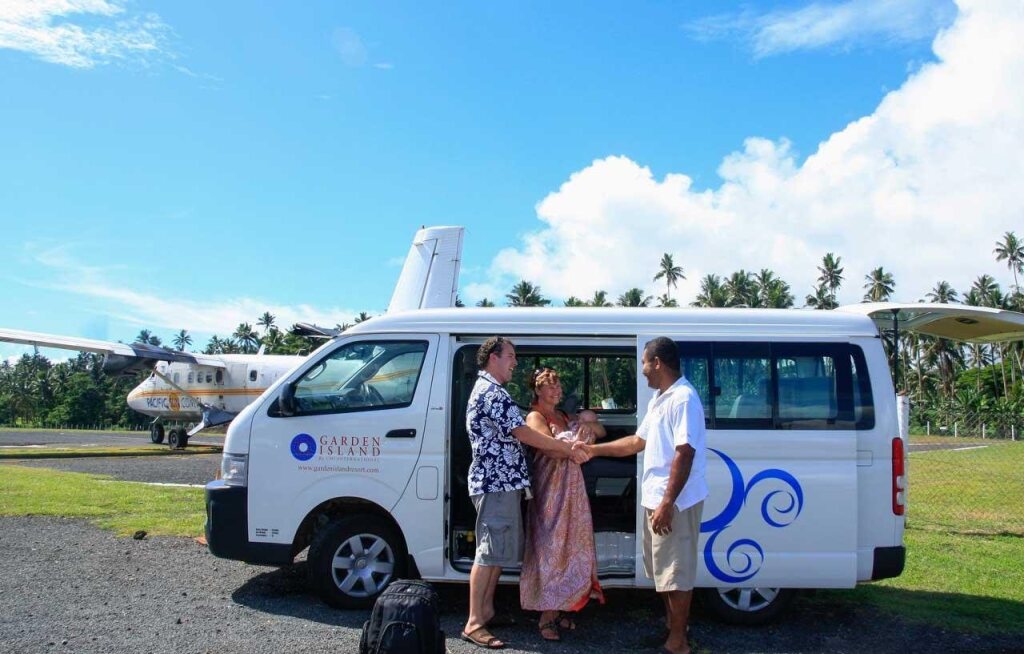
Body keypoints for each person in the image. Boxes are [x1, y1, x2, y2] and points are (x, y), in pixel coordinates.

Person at [461, 337, 590, 650]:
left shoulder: (492, 390)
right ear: (493, 357)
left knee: (496, 552)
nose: (515, 362)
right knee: (488, 553)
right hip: (495, 484)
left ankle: (486, 611)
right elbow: (523, 433)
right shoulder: (492, 392)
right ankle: (474, 623)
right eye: (510, 356)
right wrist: (565, 448)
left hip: (502, 485)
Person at [581, 337, 707, 654]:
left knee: (676, 574)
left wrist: (667, 503)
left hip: (674, 503)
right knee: (663, 573)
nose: (643, 370)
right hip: (656, 500)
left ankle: (678, 643)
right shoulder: (660, 399)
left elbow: (685, 453)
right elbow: (637, 442)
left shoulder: (683, 398)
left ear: (657, 363)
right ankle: (672, 630)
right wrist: (592, 450)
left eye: (644, 363)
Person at [519, 367, 606, 642]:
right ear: (538, 390)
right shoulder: (535, 416)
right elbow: (549, 448)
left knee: (569, 546)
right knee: (550, 548)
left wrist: (587, 426)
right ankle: (546, 615)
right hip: (550, 491)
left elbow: (600, 430)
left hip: (572, 488)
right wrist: (577, 442)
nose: (557, 390)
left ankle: (560, 609)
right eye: (551, 386)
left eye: (558, 385)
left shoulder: (564, 416)